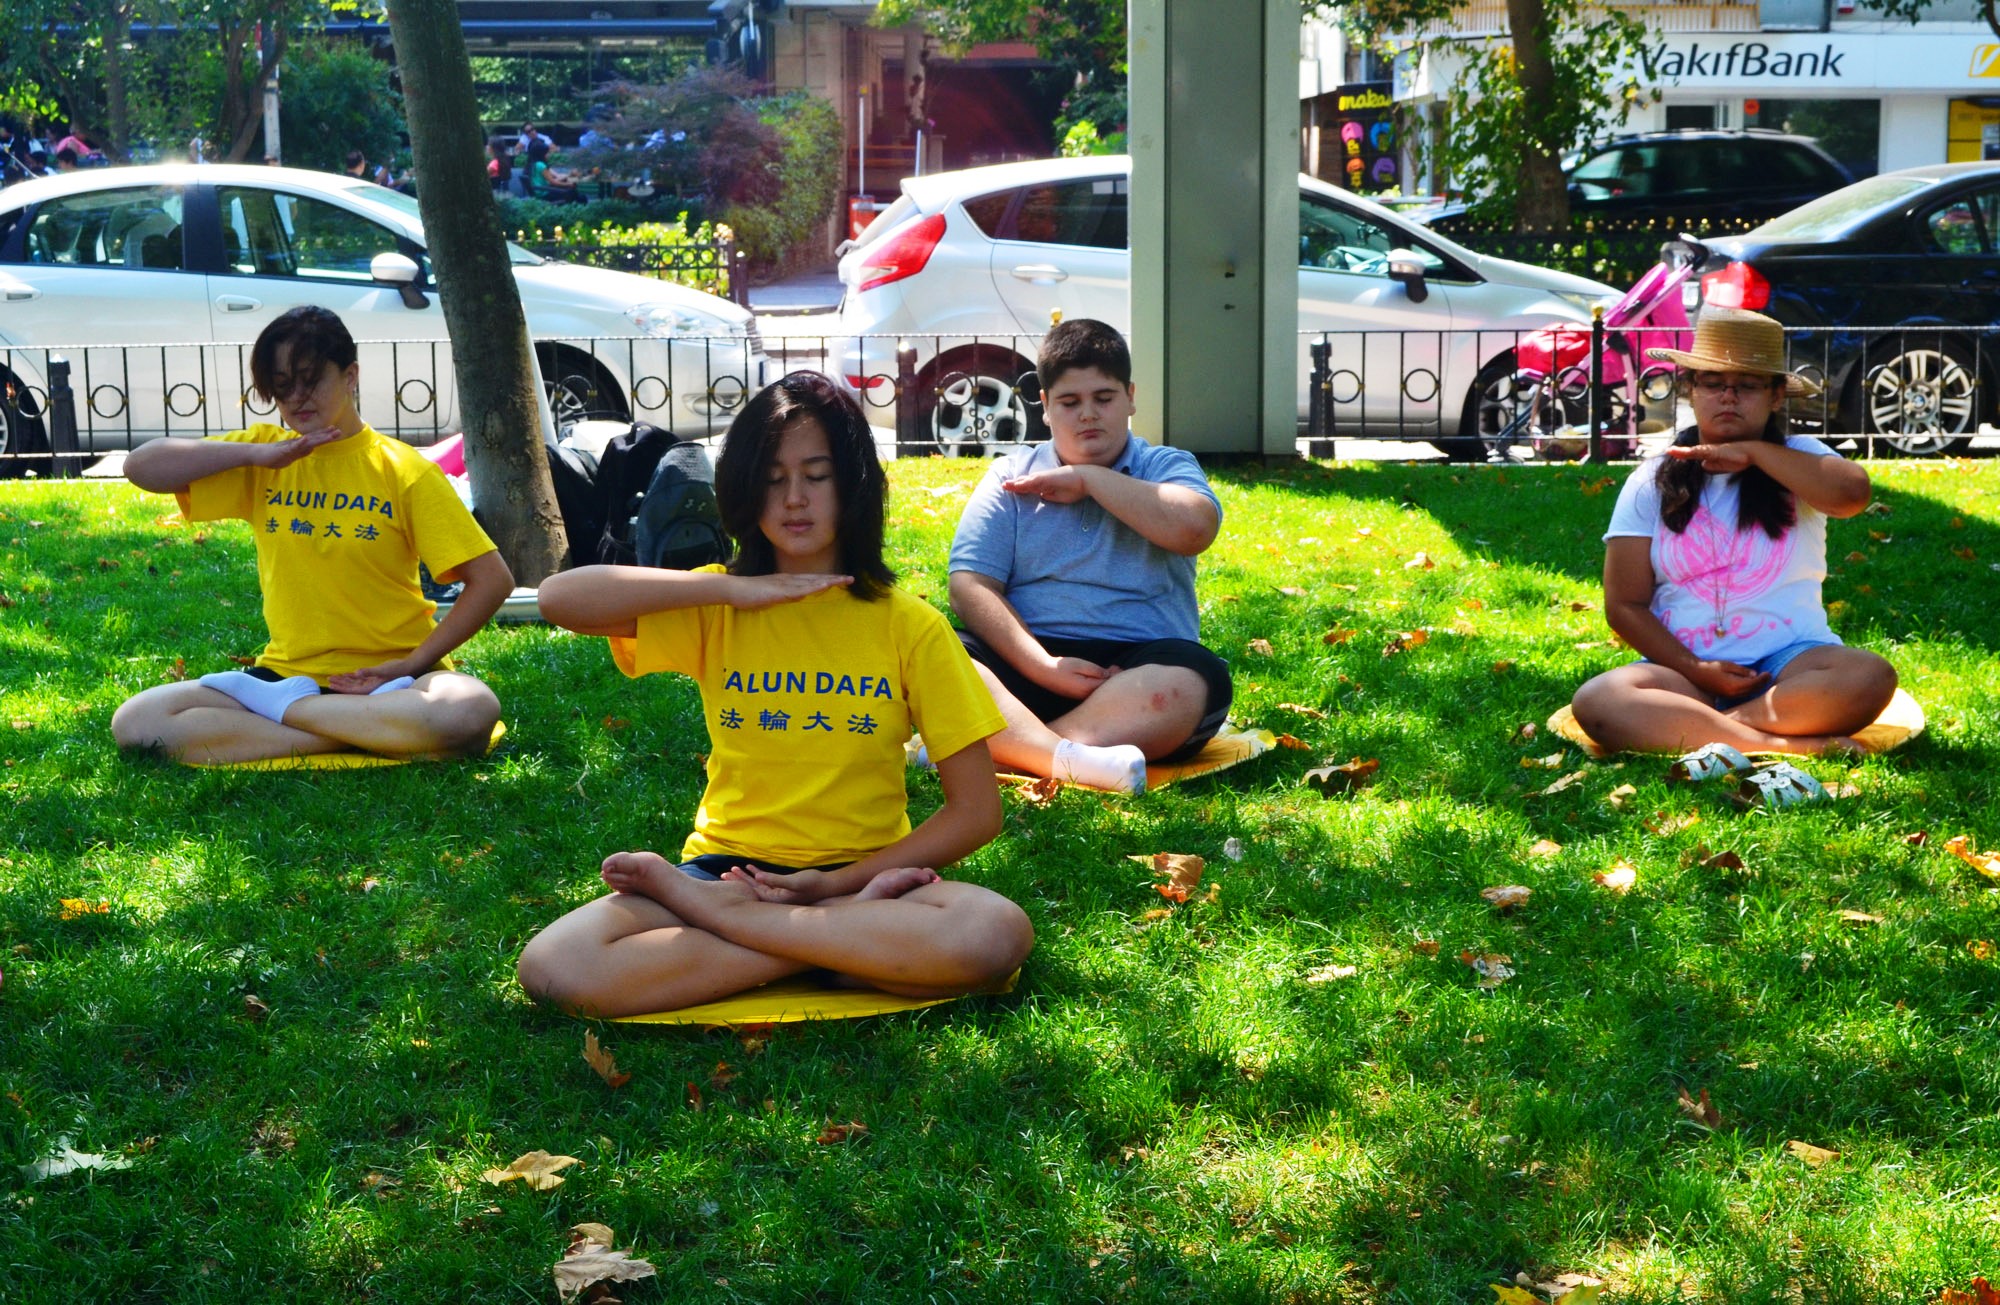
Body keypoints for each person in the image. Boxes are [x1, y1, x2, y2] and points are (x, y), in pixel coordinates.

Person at [516, 373, 1033, 1018]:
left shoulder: (910, 626)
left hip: (864, 873)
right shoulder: (719, 605)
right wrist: (732, 589)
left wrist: (840, 886)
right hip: (724, 874)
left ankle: (773, 930)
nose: (794, 499)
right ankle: (841, 947)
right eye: (771, 479)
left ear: (853, 484)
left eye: (817, 475)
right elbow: (560, 599)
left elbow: (977, 812)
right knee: (556, 965)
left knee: (993, 931)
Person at [110, 306, 513, 765]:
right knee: (137, 723)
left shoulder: (404, 470)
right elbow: (141, 467)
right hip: (286, 676)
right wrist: (256, 457)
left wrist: (409, 665)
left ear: (350, 375)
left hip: (395, 681)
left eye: (311, 380)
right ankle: (369, 733)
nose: (297, 398)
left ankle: (295, 718)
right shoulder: (267, 454)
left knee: (470, 709)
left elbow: (492, 580)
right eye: (282, 386)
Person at [1570, 306, 1897, 756]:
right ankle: (1794, 745)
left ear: (1775, 396)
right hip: (1682, 674)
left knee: (1870, 676)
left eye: (1747, 385)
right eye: (1713, 383)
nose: (1728, 397)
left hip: (1792, 666)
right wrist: (1696, 668)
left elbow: (1851, 495)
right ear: (1690, 390)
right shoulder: (1652, 479)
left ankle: (1708, 728)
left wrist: (1753, 453)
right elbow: (1624, 604)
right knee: (1599, 700)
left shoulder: (1799, 454)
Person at [945, 319, 1229, 794]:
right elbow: (969, 586)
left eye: (1104, 398)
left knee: (1195, 682)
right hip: (1025, 661)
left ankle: (1013, 746)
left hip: (1136, 674)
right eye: (1070, 402)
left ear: (1131, 397)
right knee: (937, 654)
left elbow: (1195, 528)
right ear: (1045, 406)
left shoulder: (1165, 465)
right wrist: (1043, 666)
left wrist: (1089, 480)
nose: (1088, 415)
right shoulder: (1011, 475)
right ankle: (1068, 758)